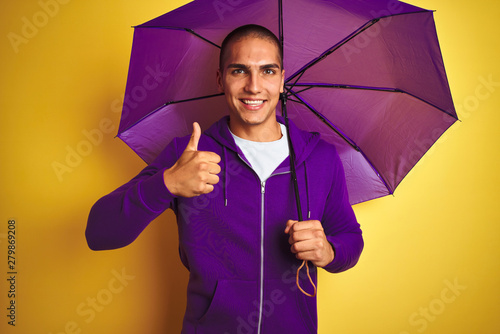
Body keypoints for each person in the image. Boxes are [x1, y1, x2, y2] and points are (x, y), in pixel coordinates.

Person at [86, 24, 363, 334]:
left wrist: (329, 251)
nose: (254, 87)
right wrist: (165, 184)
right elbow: (98, 233)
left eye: (268, 71)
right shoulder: (186, 155)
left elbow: (350, 237)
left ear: (282, 79)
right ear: (220, 79)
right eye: (239, 71)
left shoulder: (321, 157)